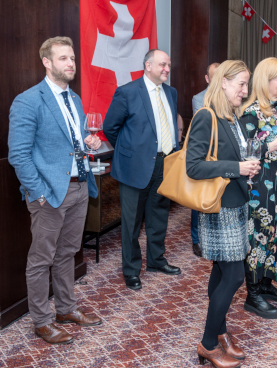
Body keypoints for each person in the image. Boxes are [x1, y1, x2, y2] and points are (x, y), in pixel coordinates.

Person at [8, 36, 102, 345]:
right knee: (41, 260)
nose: (71, 63)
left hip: (78, 188)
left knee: (67, 255)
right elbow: (18, 155)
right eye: (63, 58)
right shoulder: (28, 100)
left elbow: (76, 140)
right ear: (47, 62)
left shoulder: (74, 100)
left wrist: (92, 142)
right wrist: (37, 193)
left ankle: (65, 309)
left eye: (72, 58)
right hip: (48, 195)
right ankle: (42, 321)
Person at [186, 60, 259, 368]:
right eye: (241, 84)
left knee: (221, 272)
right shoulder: (207, 116)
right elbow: (194, 166)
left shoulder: (233, 118)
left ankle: (220, 332)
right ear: (224, 83)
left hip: (236, 202)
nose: (245, 90)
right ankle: (207, 343)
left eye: (247, 84)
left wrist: (248, 168)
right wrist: (237, 168)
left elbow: (237, 156)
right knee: (234, 274)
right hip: (220, 207)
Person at [103, 49, 181, 290]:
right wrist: (130, 153)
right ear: (148, 65)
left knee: (158, 216)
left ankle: (157, 261)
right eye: (162, 64)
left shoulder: (171, 92)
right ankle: (131, 270)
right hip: (134, 168)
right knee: (131, 223)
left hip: (164, 164)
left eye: (168, 65)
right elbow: (109, 127)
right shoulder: (127, 92)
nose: (167, 69)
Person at [240, 57, 277, 319]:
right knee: (260, 236)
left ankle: (265, 284)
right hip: (260, 186)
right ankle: (252, 295)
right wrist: (269, 147)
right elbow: (243, 153)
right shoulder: (250, 113)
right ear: (266, 81)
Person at [190, 62, 220, 258]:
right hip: (204, 155)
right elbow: (207, 126)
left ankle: (215, 235)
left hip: (223, 156)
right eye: (214, 76)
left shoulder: (233, 97)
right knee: (198, 199)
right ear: (207, 79)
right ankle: (196, 240)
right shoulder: (199, 98)